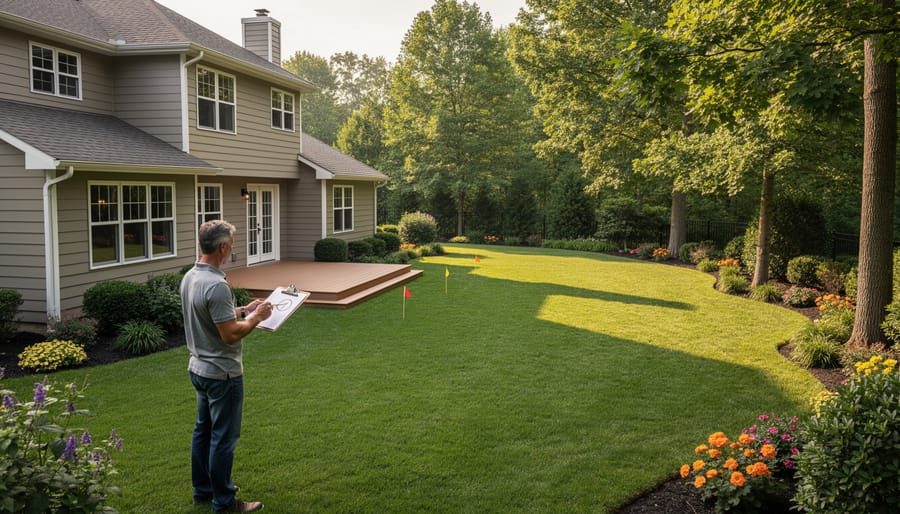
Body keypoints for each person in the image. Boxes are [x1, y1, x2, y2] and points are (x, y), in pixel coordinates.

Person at [180, 220, 273, 513]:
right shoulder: (217, 285)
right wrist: (257, 319)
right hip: (223, 374)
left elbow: (214, 315)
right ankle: (224, 502)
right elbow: (230, 333)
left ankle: (203, 490)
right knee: (223, 439)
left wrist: (245, 310)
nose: (232, 249)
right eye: (231, 244)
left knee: (203, 432)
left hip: (199, 369)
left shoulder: (191, 276)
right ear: (222, 247)